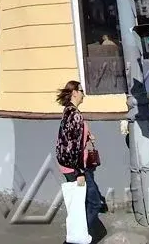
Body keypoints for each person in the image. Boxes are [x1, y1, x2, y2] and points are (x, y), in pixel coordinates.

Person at [55, 80, 105, 244]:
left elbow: (68, 138)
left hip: (69, 166)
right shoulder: (75, 114)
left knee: (80, 204)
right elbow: (73, 146)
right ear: (74, 92)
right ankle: (77, 239)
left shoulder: (68, 111)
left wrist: (87, 135)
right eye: (81, 90)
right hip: (76, 168)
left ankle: (79, 236)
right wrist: (80, 173)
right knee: (94, 203)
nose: (84, 94)